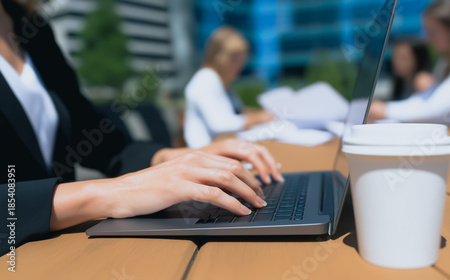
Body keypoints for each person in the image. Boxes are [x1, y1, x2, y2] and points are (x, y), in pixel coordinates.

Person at [0, 0, 283, 255]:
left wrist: (171, 159)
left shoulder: (32, 28)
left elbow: (97, 140)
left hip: (63, 248)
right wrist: (108, 193)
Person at [369, 0, 450, 137]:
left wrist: (385, 110)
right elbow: (426, 100)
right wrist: (383, 110)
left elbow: (438, 108)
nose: (427, 38)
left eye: (432, 31)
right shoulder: (446, 61)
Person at [184, 26, 275, 148]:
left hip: (221, 148)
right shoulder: (205, 79)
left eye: (242, 59)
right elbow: (220, 124)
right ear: (220, 58)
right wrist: (258, 117)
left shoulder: (222, 82)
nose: (240, 66)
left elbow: (237, 112)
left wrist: (260, 115)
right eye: (236, 59)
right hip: (206, 153)